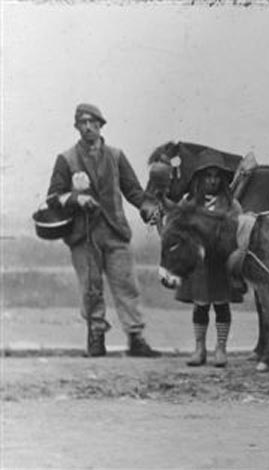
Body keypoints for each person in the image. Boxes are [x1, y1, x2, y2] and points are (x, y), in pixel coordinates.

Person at [45, 103, 160, 357]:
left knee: (127, 284)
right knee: (90, 287)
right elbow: (53, 196)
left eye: (92, 122)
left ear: (100, 125)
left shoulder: (116, 155)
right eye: (82, 123)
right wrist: (76, 198)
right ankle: (96, 336)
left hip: (115, 231)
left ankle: (136, 338)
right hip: (83, 234)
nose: (87, 127)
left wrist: (149, 207)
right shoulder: (66, 159)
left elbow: (133, 191)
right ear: (77, 127)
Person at [175, 149, 244, 368]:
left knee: (222, 306)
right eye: (208, 176)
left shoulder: (231, 205)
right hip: (200, 266)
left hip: (221, 264)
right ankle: (199, 348)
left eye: (216, 176)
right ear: (199, 178)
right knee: (201, 306)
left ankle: (221, 348)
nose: (212, 181)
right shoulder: (189, 203)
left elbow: (236, 230)